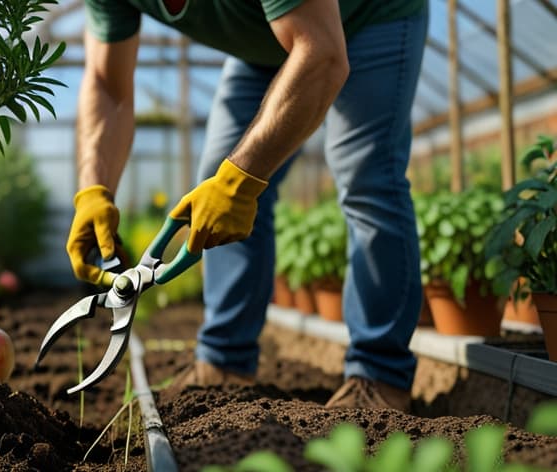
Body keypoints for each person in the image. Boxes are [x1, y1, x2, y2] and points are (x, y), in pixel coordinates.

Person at [65, 0, 428, 412]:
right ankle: (225, 361)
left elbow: (323, 53)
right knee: (215, 182)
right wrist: (92, 190)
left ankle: (380, 375)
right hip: (270, 43)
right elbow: (106, 84)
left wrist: (241, 181)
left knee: (367, 177)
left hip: (367, 17)